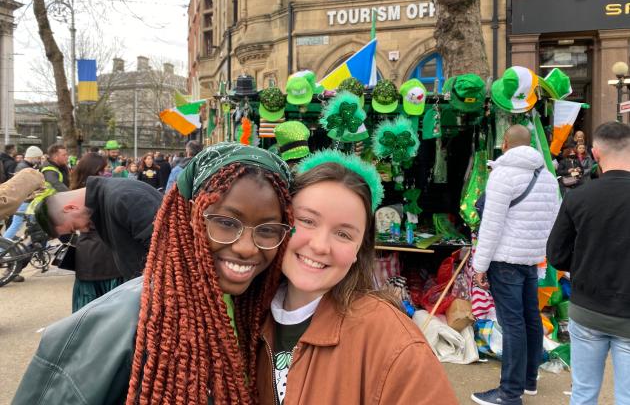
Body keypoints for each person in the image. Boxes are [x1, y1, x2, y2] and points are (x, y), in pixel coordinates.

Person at [15, 143, 293, 404]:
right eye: (224, 222)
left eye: (268, 229)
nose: (246, 248)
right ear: (187, 219)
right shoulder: (124, 323)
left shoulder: (264, 305)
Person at [257, 150, 457, 405]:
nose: (320, 246)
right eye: (307, 220)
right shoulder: (248, 317)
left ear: (358, 251)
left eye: (343, 234)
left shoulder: (395, 345)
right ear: (282, 222)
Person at [471, 125, 560, 405]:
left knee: (513, 325)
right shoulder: (547, 177)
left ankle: (509, 393)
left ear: (505, 144)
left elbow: (491, 225)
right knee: (530, 318)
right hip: (531, 259)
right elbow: (552, 220)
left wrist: (479, 265)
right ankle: (528, 381)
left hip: (505, 260)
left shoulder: (502, 175)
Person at [547, 122, 630, 405]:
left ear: (595, 153)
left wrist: (584, 263)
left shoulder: (578, 197)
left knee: (583, 392)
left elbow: (556, 255)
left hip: (588, 309)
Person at [34, 176, 163, 280]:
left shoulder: (123, 198)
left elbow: (166, 251)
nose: (84, 230)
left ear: (71, 208)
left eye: (75, 227)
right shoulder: (105, 200)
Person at [68, 153, 124, 312]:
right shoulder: (108, 192)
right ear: (95, 171)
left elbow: (63, 230)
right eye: (104, 169)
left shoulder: (73, 194)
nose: (107, 172)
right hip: (110, 256)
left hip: (86, 257)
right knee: (113, 312)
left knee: (87, 313)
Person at [3, 146, 44, 241]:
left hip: (25, 200)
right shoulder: (24, 167)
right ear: (32, 156)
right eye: (38, 158)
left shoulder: (24, 166)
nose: (39, 161)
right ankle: (1, 249)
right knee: (17, 225)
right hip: (25, 201)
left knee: (33, 224)